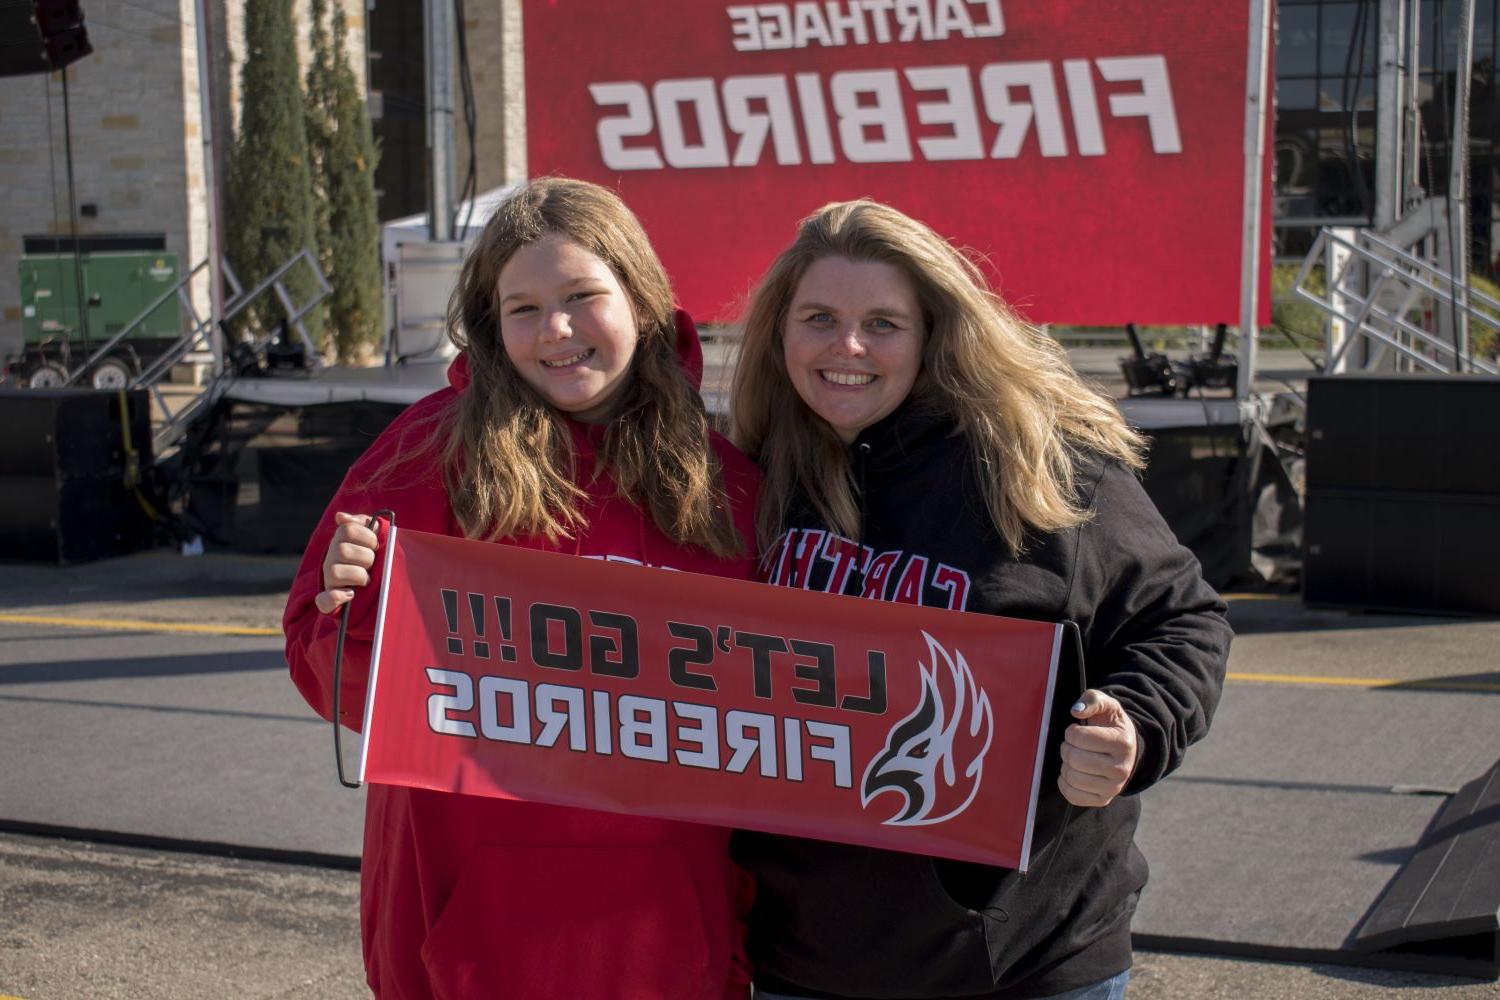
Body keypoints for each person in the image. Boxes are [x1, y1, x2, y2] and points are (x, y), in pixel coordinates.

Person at [727, 199, 1232, 1000]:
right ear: (779, 332)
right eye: (818, 317)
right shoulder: (749, 477)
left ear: (933, 332)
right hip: (806, 959)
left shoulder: (1038, 466)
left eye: (883, 324)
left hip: (1023, 961)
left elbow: (1181, 620)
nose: (846, 346)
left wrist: (1135, 721)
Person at [283, 178, 761, 1000]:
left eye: (583, 296)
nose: (558, 331)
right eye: (524, 309)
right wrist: (350, 613)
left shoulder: (730, 486)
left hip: (673, 949)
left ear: (643, 303)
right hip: (462, 947)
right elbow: (328, 679)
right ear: (491, 326)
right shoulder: (423, 453)